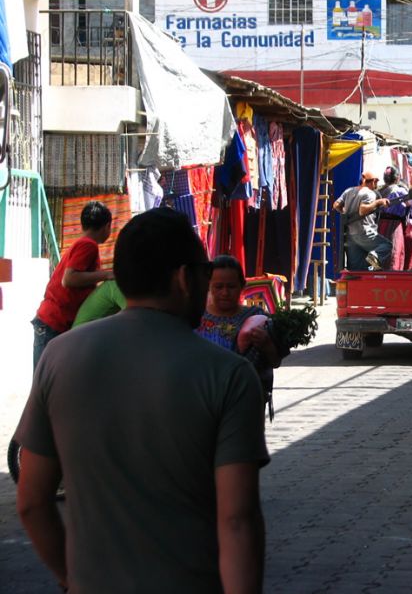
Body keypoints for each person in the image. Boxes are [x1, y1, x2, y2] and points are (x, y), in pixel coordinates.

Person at [14, 208, 268, 593]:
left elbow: (32, 502)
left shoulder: (59, 357)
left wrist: (72, 577)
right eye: (205, 272)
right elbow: (238, 520)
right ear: (184, 278)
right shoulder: (229, 376)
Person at [196, 255, 288, 417]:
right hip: (202, 405)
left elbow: (275, 361)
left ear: (242, 286)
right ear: (208, 286)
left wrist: (266, 343)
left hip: (245, 407)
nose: (225, 292)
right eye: (218, 287)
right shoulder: (195, 318)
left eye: (231, 286)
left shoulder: (257, 318)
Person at [31, 200, 114, 368]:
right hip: (53, 322)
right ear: (107, 226)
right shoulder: (88, 245)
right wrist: (107, 274)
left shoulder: (80, 243)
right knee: (46, 383)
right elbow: (69, 279)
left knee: (48, 381)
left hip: (52, 322)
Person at [333, 171, 392, 270]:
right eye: (376, 183)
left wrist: (344, 212)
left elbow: (336, 205)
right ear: (373, 182)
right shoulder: (369, 193)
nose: (376, 186)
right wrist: (378, 202)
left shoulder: (349, 191)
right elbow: (362, 210)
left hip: (351, 235)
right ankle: (374, 256)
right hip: (364, 232)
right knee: (386, 245)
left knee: (357, 269)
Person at [377, 167, 409, 271]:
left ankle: (379, 270)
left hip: (380, 224)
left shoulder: (379, 191)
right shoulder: (400, 191)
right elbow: (411, 203)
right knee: (394, 249)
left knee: (381, 249)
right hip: (394, 225)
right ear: (397, 178)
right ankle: (393, 272)